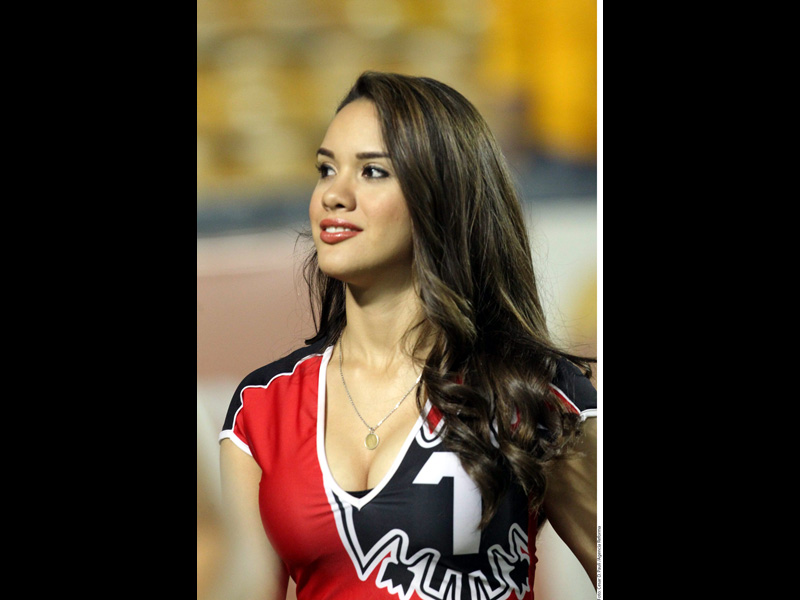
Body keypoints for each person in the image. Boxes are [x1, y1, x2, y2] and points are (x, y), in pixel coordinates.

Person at [219, 71, 597, 600]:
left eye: (372, 171)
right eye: (326, 169)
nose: (334, 194)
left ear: (439, 196)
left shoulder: (532, 389)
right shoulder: (261, 408)